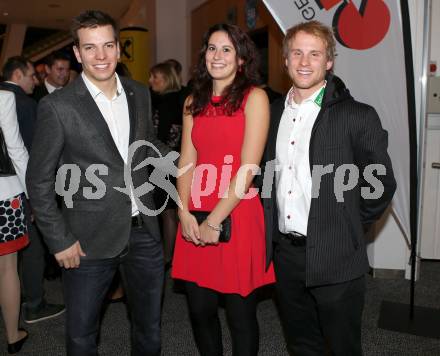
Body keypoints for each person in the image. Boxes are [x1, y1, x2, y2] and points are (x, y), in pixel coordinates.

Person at [26, 10, 168, 356]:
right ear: (77, 53)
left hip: (144, 233)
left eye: (107, 46)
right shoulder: (57, 106)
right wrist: (59, 240)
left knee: (149, 329)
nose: (100, 56)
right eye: (90, 48)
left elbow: (146, 148)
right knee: (81, 336)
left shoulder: (139, 92)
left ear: (119, 49)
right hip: (86, 242)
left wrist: (193, 157)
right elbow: (39, 181)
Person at [261, 21, 396, 355]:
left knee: (342, 346)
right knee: (301, 343)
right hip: (286, 255)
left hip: (337, 256)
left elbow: (379, 186)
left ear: (329, 61)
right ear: (285, 59)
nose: (304, 62)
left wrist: (347, 224)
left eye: (315, 54)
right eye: (297, 53)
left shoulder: (357, 115)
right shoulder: (272, 113)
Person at [171, 23, 275, 356]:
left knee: (240, 314)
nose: (218, 56)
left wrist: (214, 221)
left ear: (242, 58)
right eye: (212, 48)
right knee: (199, 311)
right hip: (195, 207)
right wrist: (183, 210)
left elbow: (248, 168)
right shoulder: (192, 101)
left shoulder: (254, 98)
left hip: (236, 211)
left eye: (227, 49)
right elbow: (186, 160)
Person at [0, 56, 66, 324]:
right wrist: (37, 194)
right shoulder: (22, 103)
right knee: (31, 248)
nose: (34, 81)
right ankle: (34, 303)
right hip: (13, 189)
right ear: (17, 74)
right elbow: (27, 152)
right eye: (31, 76)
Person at [0, 91, 29, 354]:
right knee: (7, 268)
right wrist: (35, 194)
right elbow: (15, 149)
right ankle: (12, 335)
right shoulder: (3, 98)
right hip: (3, 194)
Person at [149, 62, 183, 267]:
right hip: (175, 162)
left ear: (167, 79)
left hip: (165, 163)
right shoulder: (177, 100)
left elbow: (164, 137)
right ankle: (173, 255)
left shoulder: (167, 103)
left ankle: (167, 257)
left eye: (156, 78)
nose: (151, 81)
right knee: (171, 210)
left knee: (168, 212)